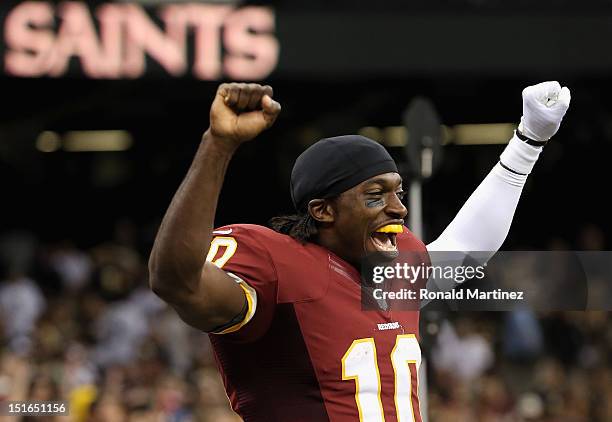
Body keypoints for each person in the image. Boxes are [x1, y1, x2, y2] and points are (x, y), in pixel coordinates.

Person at [149, 81, 570, 421]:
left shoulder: (394, 265)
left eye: (398, 193)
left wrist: (527, 141)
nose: (398, 208)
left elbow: (464, 249)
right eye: (375, 195)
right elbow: (177, 282)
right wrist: (217, 146)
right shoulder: (276, 264)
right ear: (323, 210)